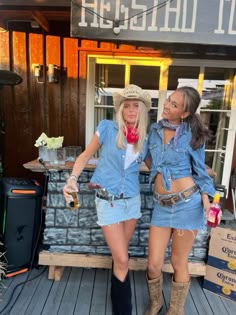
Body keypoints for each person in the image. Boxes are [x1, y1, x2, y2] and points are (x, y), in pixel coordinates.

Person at [63, 84, 151, 315]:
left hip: (131, 201)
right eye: (127, 106)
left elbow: (156, 167)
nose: (132, 110)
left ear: (142, 110)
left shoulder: (145, 138)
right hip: (108, 201)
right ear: (120, 109)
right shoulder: (107, 128)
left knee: (120, 257)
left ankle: (117, 301)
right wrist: (73, 179)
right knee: (122, 258)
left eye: (136, 106)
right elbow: (85, 156)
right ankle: (124, 311)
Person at [144, 86, 216, 315]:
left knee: (178, 262)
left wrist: (208, 202)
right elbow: (148, 160)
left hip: (188, 205)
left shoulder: (192, 136)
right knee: (153, 263)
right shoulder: (154, 130)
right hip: (161, 206)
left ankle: (175, 310)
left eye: (174, 105)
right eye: (168, 100)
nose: (167, 105)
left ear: (184, 113)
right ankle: (155, 302)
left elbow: (200, 172)